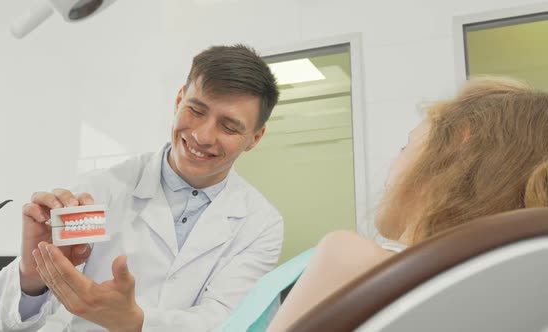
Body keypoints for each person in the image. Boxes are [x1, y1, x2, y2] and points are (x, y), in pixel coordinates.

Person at [0, 44, 284, 331]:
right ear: (179, 100)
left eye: (229, 126)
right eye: (196, 110)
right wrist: (34, 274)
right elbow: (3, 323)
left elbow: (226, 321)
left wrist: (135, 323)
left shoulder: (260, 224)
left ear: (255, 138)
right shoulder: (100, 190)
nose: (203, 136)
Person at [219, 77, 548, 332]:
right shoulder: (504, 303)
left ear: (455, 153)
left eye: (405, 146)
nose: (392, 164)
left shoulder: (352, 258)